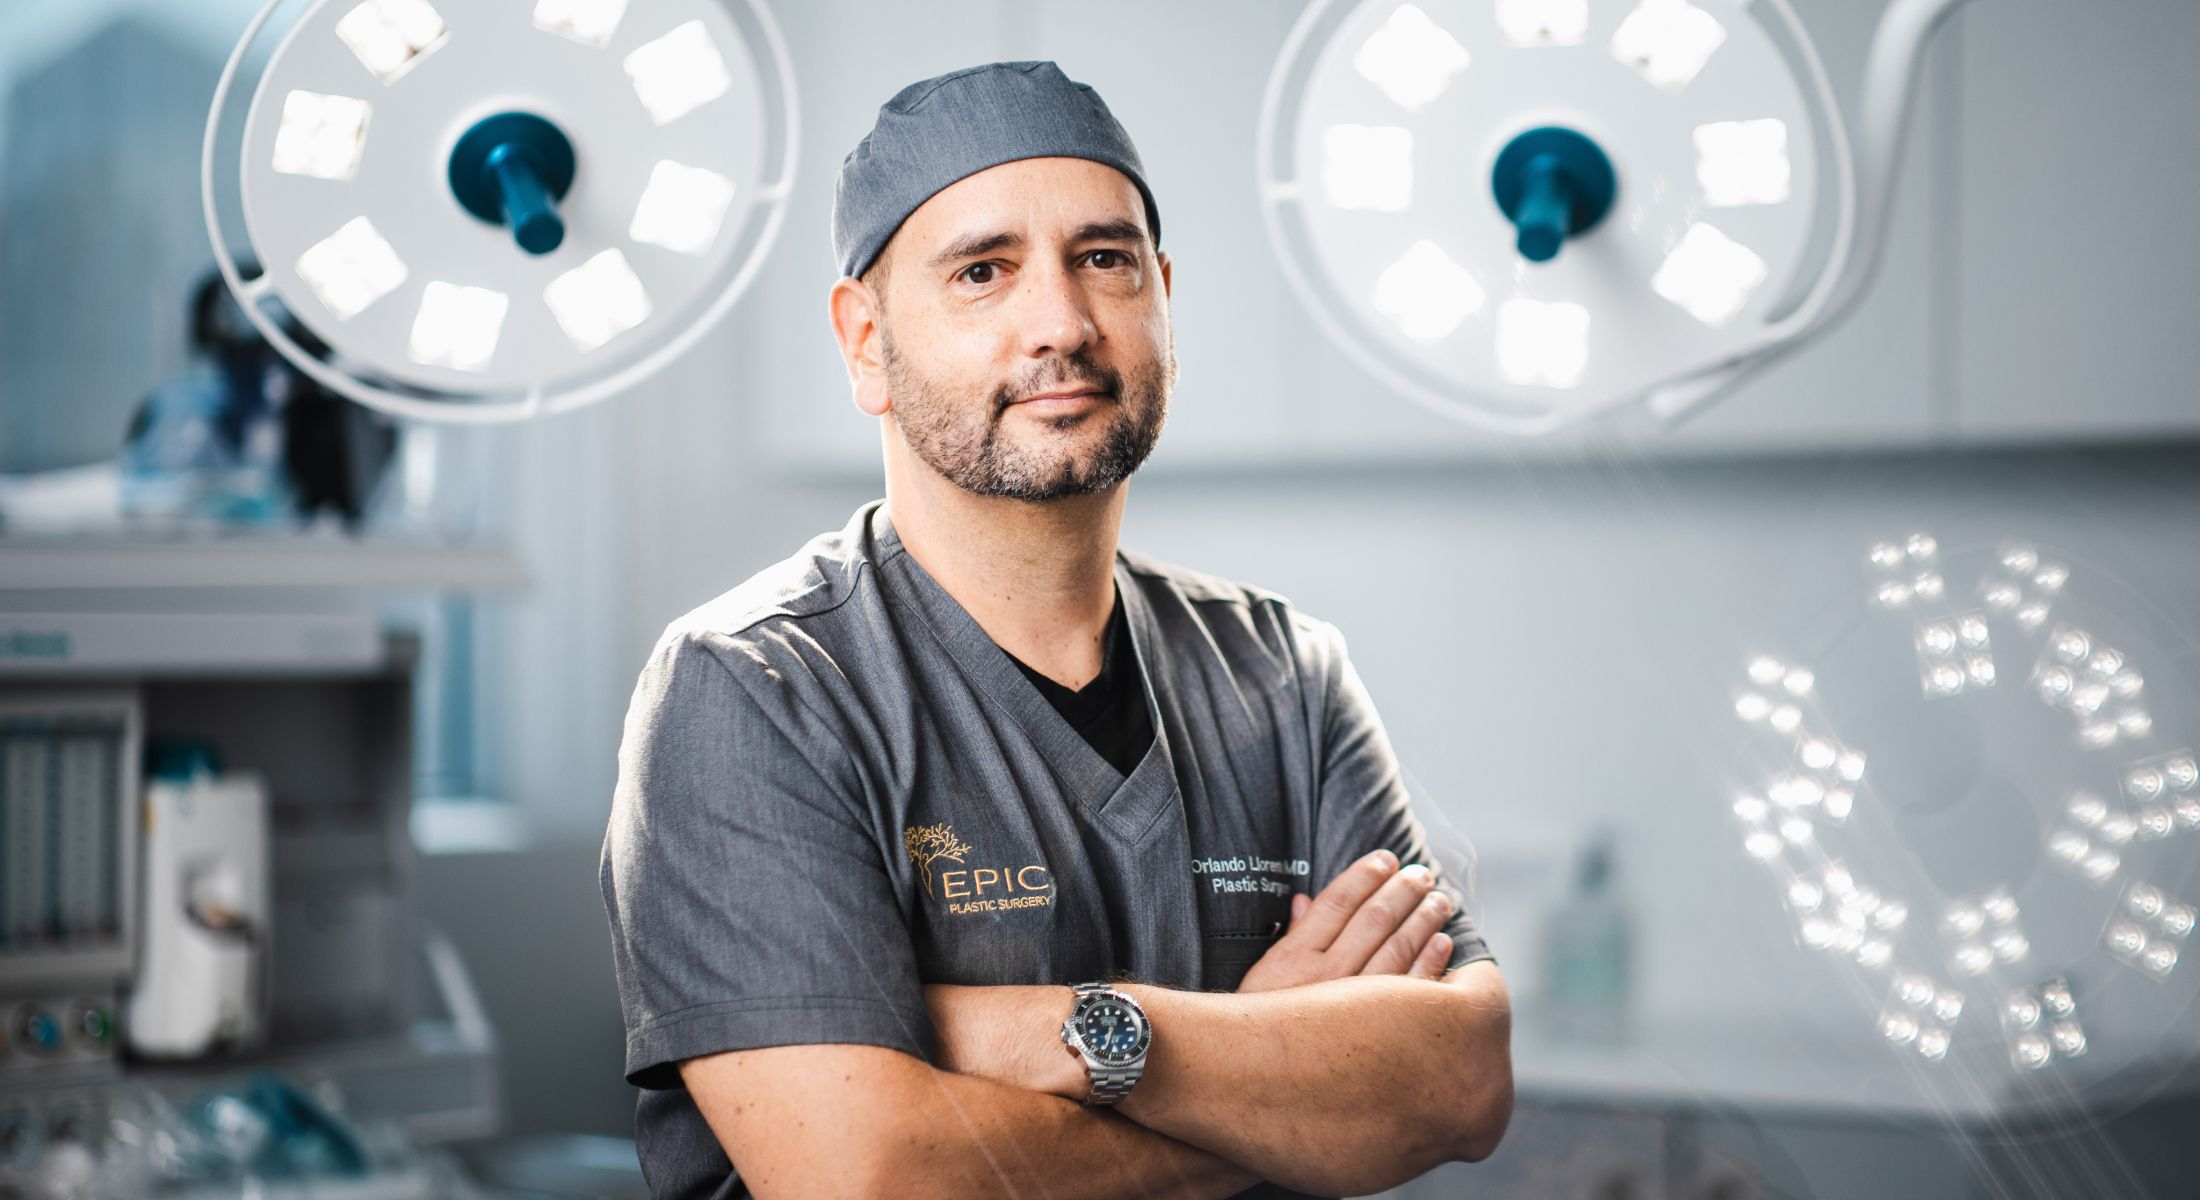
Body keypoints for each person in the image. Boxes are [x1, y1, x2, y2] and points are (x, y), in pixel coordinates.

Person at [599, 61, 1513, 1200]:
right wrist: (1275, 1082)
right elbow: (869, 1178)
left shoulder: (1285, 672)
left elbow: (1461, 1081)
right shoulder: (753, 691)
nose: (1063, 324)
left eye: (1105, 260)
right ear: (866, 343)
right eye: (983, 271)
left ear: (1163, 299)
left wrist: (1061, 1033)